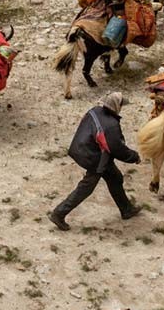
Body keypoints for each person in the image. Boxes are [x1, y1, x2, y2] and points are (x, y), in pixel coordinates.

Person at [48, 92, 140, 230]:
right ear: (116, 106)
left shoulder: (94, 111)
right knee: (86, 188)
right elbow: (116, 148)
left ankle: (126, 209)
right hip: (94, 158)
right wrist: (134, 157)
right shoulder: (111, 125)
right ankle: (59, 213)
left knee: (115, 177)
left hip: (81, 148)